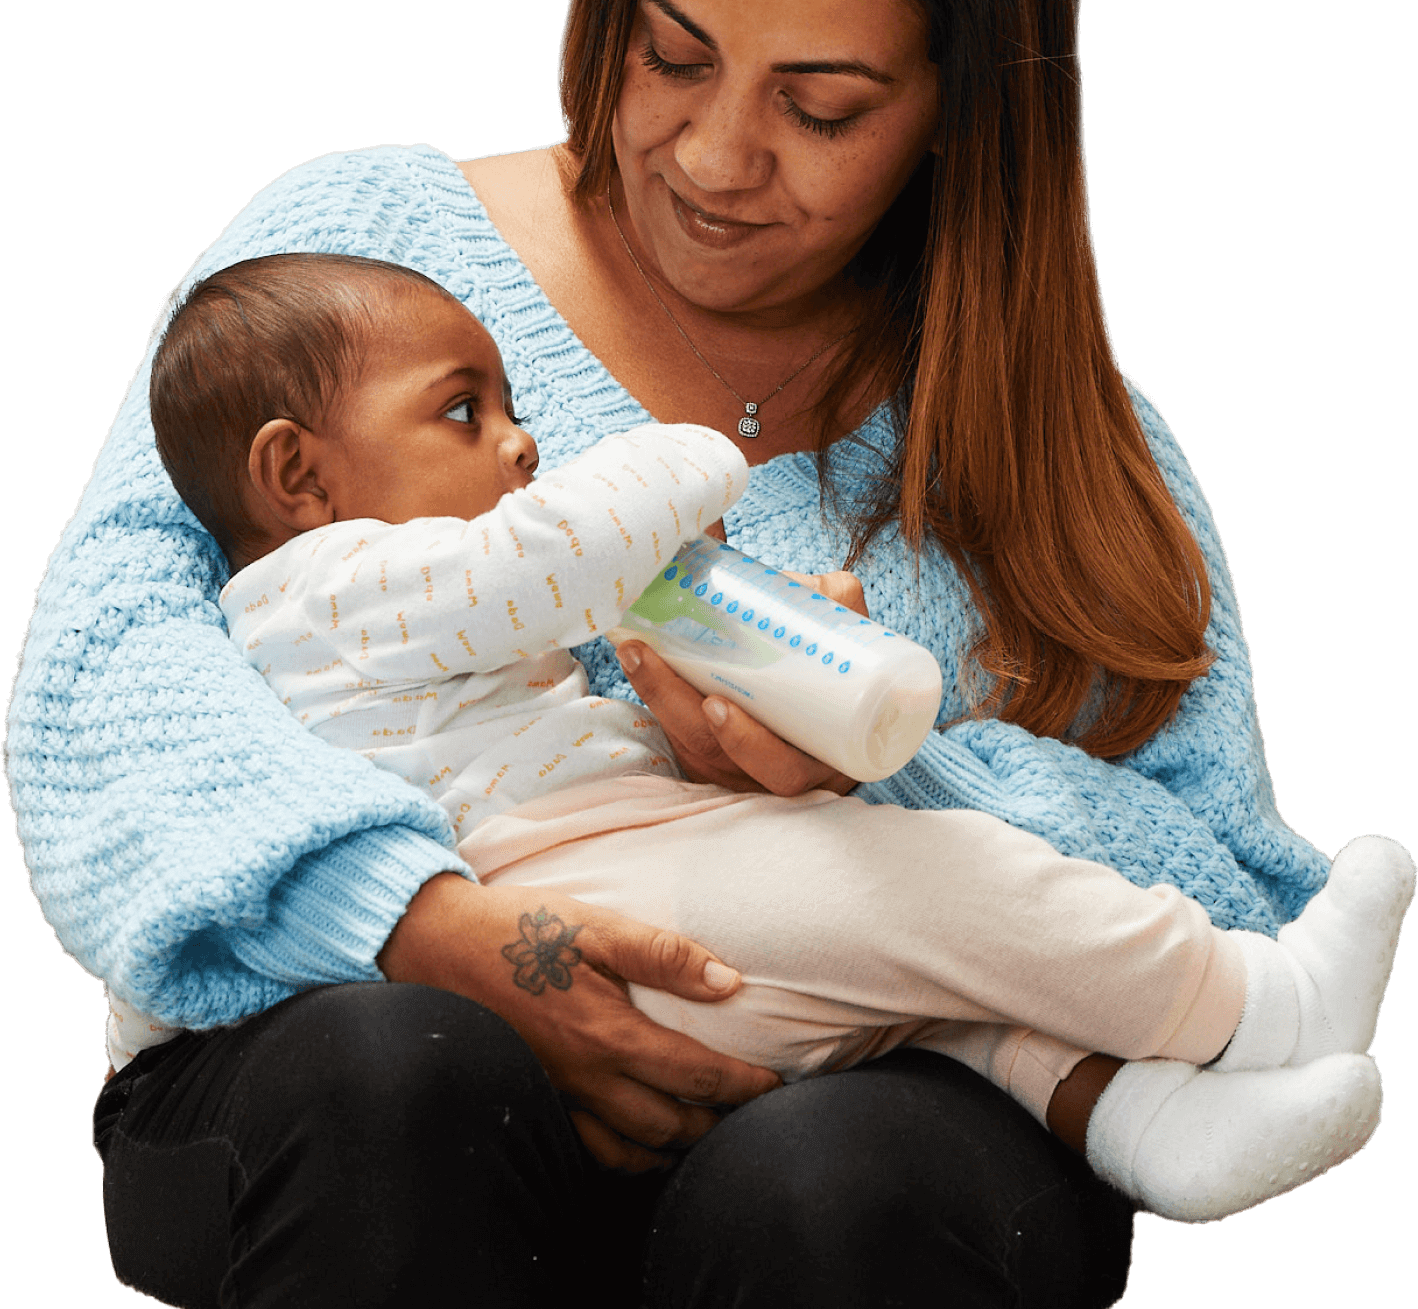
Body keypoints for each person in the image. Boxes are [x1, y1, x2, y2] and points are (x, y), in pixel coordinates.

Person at [5, 0, 1406, 1304]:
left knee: (845, 1176)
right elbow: (104, 689)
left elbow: (1225, 887)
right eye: (670, 53)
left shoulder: (1070, 448)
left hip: (841, 1101)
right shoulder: (359, 266)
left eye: (820, 106)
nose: (713, 156)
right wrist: (409, 917)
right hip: (351, 1078)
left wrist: (876, 784)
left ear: (958, 109)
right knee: (403, 1065)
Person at [130, 245, 1405, 1229]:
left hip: (619, 905)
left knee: (939, 1003)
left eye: (513, 405)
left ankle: (1142, 1118)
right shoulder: (327, 585)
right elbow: (544, 560)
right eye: (463, 412)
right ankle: (1258, 1003)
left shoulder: (390, 617)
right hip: (569, 920)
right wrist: (683, 454)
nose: (519, 442)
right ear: (297, 478)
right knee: (933, 883)